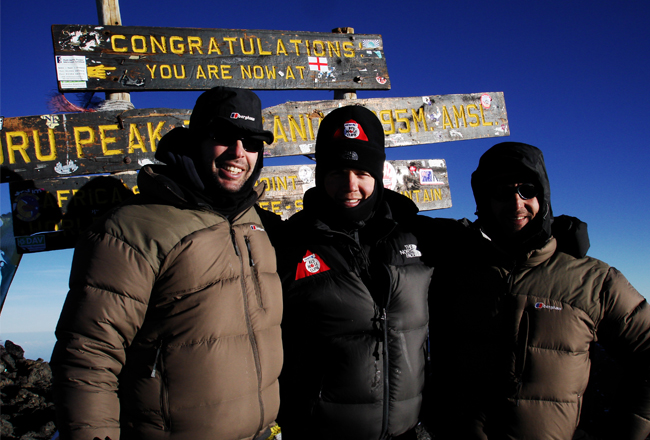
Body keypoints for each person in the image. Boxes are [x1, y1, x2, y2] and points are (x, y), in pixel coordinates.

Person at [50, 87, 283, 440]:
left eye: (251, 143)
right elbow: (89, 356)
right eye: (224, 137)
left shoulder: (257, 224)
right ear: (195, 141)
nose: (239, 152)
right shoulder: (132, 229)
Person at [421, 142, 650, 439]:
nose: (516, 203)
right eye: (502, 192)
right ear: (485, 201)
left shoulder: (593, 280)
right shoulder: (455, 269)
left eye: (527, 189)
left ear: (543, 195)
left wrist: (629, 429)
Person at [275, 105, 433, 439]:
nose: (350, 185)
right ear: (321, 176)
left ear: (378, 175)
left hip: (405, 432)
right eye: (337, 172)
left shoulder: (417, 237)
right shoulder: (290, 244)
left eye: (362, 173)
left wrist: (554, 231)